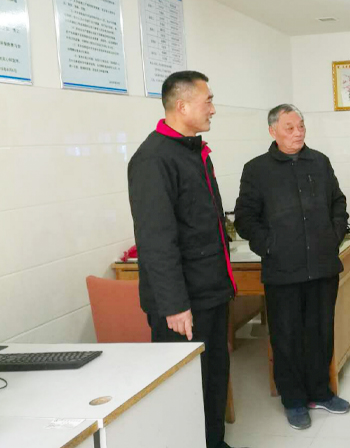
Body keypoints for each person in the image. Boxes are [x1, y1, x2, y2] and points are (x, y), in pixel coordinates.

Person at [128, 71, 239, 448]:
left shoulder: (193, 151)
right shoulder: (154, 159)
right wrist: (175, 305)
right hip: (182, 304)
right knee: (186, 388)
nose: (213, 109)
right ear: (182, 106)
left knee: (214, 377)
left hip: (211, 291)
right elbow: (156, 241)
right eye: (208, 101)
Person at [234, 104, 350, 430]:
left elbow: (338, 202)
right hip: (282, 270)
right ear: (272, 131)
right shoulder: (257, 169)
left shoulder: (320, 162)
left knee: (320, 332)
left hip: (322, 265)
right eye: (289, 127)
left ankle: (321, 392)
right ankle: (294, 399)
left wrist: (334, 235)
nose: (298, 132)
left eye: (301, 126)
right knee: (286, 337)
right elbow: (245, 217)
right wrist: (269, 245)